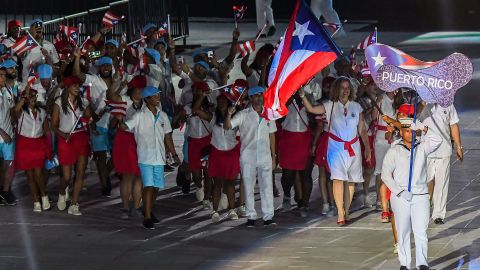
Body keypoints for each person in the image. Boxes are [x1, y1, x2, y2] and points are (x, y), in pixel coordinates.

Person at [299, 77, 371, 225]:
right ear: (337, 89)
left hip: (353, 148)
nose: (345, 90)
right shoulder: (329, 105)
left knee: (351, 182)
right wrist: (302, 96)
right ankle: (340, 212)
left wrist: (367, 148)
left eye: (348, 88)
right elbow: (311, 109)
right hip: (336, 148)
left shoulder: (357, 107)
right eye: (343, 87)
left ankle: (346, 209)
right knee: (338, 179)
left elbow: (362, 129)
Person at [382, 117, 442, 270]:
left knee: (421, 230)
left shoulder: (422, 147)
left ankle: (422, 264)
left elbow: (438, 140)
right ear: (401, 132)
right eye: (407, 131)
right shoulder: (394, 150)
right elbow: (385, 175)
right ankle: (405, 264)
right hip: (401, 195)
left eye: (413, 131)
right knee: (403, 231)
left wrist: (424, 128)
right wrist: (399, 191)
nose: (410, 134)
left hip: (420, 195)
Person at [120, 86, 180, 229]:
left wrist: (174, 154)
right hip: (145, 157)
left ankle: (148, 210)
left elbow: (168, 136)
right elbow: (126, 127)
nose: (158, 97)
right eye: (155, 96)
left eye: (158, 95)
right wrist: (118, 120)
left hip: (159, 157)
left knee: (156, 188)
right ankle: (147, 217)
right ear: (147, 99)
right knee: (148, 186)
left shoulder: (163, 115)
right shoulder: (139, 115)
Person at [224, 86, 277, 227]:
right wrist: (229, 114)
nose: (260, 98)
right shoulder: (243, 114)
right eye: (256, 95)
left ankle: (268, 217)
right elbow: (228, 126)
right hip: (248, 157)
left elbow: (272, 135)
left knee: (267, 187)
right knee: (248, 186)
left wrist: (274, 155)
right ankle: (251, 216)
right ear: (251, 98)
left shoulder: (269, 114)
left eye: (261, 95)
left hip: (265, 156)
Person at [193, 91, 240, 222]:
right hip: (217, 154)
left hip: (231, 153)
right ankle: (215, 211)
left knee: (230, 184)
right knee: (218, 183)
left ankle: (232, 209)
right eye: (219, 101)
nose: (221, 103)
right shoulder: (212, 117)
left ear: (229, 103)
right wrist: (202, 95)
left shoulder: (235, 118)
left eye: (224, 101)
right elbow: (196, 110)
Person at [73, 49, 114, 197]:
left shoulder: (119, 80)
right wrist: (77, 58)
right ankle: (104, 183)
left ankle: (106, 174)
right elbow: (78, 75)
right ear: (99, 68)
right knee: (101, 157)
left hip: (116, 124)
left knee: (116, 156)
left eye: (108, 65)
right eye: (103, 66)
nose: (106, 68)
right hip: (99, 125)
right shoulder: (94, 80)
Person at [51, 76, 92, 215]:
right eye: (74, 85)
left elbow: (88, 117)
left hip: (81, 137)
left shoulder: (84, 101)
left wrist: (87, 110)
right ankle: (62, 192)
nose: (77, 88)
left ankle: (74, 204)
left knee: (80, 172)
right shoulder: (59, 102)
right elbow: (53, 125)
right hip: (66, 139)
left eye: (78, 86)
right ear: (68, 87)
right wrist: (62, 135)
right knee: (67, 177)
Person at [109, 75, 146, 220]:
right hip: (125, 139)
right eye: (137, 89)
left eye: (142, 89)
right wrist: (121, 82)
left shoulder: (147, 102)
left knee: (139, 175)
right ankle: (125, 207)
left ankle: (136, 207)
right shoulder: (124, 99)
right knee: (127, 175)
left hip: (142, 140)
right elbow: (111, 95)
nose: (140, 92)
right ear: (132, 89)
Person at [421, 103, 463, 224]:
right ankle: (423, 207)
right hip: (426, 150)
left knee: (442, 182)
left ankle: (438, 214)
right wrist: (421, 105)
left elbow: (453, 125)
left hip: (444, 150)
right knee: (425, 180)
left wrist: (459, 146)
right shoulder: (421, 103)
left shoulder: (448, 104)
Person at [13, 86, 51, 212]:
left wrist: (50, 146)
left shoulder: (42, 112)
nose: (32, 98)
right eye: (30, 96)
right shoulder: (22, 112)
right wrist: (23, 97)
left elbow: (47, 130)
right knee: (29, 175)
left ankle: (44, 195)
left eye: (34, 96)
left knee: (39, 173)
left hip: (38, 144)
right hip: (25, 145)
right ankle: (36, 201)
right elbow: (14, 111)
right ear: (25, 99)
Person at [278, 93, 313, 217]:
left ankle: (304, 204)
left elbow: (313, 118)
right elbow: (278, 118)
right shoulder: (285, 99)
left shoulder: (308, 98)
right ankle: (287, 194)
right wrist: (286, 103)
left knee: (306, 174)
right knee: (288, 174)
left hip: (305, 140)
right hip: (288, 140)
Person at [22, 19, 60, 83]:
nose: (38, 29)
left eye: (40, 28)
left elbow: (56, 63)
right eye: (35, 28)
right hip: (31, 84)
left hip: (48, 83)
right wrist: (32, 37)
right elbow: (20, 56)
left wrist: (48, 60)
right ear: (30, 30)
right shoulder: (25, 45)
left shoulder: (49, 45)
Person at [0, 65, 16, 205]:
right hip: (3, 135)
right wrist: (3, 133)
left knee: (9, 164)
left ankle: (5, 191)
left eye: (4, 75)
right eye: (0, 75)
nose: (3, 77)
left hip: (8, 135)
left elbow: (12, 111)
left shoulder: (8, 91)